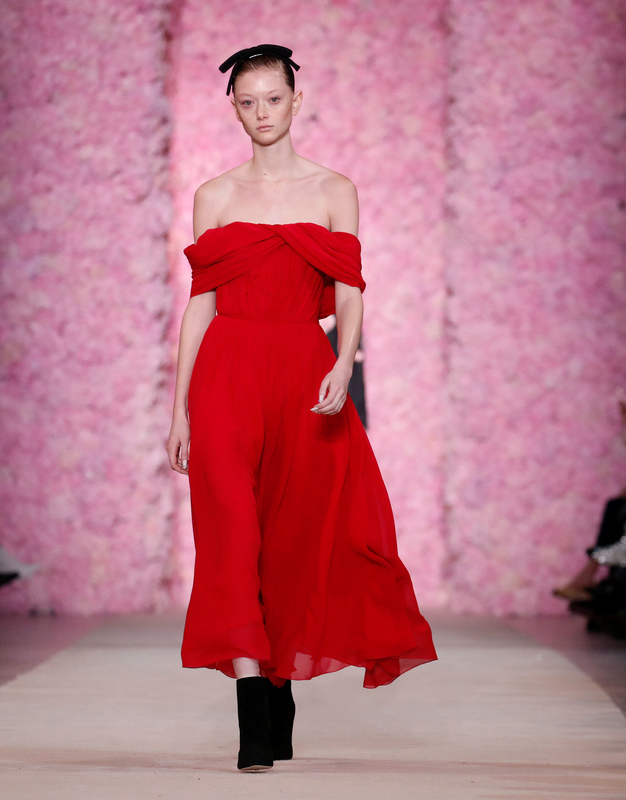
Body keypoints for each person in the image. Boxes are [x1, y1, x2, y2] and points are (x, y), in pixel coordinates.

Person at [166, 44, 436, 773]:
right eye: (247, 101)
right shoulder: (214, 195)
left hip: (302, 375)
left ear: (296, 100)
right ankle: (253, 707)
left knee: (291, 541)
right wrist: (179, 408)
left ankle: (279, 680)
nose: (261, 113)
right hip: (225, 375)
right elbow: (199, 306)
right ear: (232, 108)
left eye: (273, 99)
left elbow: (350, 292)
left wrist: (344, 364)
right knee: (229, 536)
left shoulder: (333, 190)